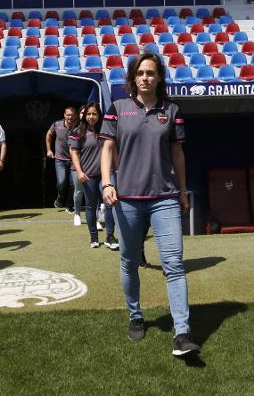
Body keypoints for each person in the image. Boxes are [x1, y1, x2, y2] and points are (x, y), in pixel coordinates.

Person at [100, 52, 200, 356]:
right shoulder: (117, 109)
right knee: (129, 262)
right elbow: (107, 148)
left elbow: (178, 154)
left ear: (159, 77)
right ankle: (135, 316)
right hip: (126, 199)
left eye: (151, 73)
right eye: (141, 73)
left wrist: (182, 190)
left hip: (165, 199)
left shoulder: (171, 111)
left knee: (174, 264)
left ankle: (181, 333)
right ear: (133, 78)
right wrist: (106, 183)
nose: (146, 78)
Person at [69, 102, 105, 248]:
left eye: (94, 114)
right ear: (84, 116)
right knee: (91, 206)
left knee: (109, 205)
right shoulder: (78, 132)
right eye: (89, 114)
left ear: (99, 115)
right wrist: (79, 171)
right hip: (88, 175)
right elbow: (74, 153)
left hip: (106, 175)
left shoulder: (106, 129)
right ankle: (94, 238)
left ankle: (110, 236)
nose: (91, 117)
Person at [46, 106, 78, 213]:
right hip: (60, 159)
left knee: (73, 184)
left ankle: (70, 205)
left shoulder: (79, 127)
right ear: (64, 115)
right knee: (61, 182)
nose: (70, 117)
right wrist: (49, 150)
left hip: (74, 160)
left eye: (72, 115)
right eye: (68, 115)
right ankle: (60, 198)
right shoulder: (56, 125)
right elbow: (49, 135)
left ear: (75, 116)